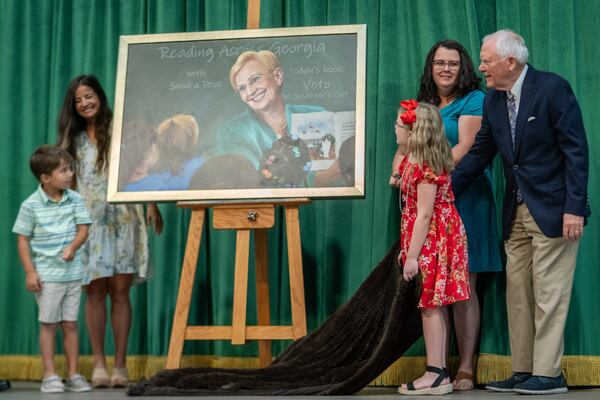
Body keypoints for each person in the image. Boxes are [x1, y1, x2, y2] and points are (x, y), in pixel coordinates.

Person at [452, 29, 590, 395]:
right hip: (516, 215)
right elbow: (480, 153)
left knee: (549, 292)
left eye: (486, 60)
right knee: (518, 294)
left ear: (510, 62)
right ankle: (525, 368)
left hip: (555, 211)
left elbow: (576, 150)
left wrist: (575, 208)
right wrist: (443, 193)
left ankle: (549, 374)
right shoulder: (494, 101)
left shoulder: (552, 89)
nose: (481, 67)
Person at [57, 75, 164, 388]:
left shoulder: (122, 130)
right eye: (78, 100)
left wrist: (152, 203)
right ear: (73, 107)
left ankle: (120, 365)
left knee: (119, 293)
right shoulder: (71, 140)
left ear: (100, 97)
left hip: (124, 220)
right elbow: (67, 185)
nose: (84, 103)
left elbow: (144, 168)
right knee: (95, 294)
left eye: (89, 96)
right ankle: (100, 365)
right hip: (88, 225)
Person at [416, 39, 503, 390]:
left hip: (466, 198)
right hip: (430, 204)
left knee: (464, 285)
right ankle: (439, 369)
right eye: (439, 62)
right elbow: (409, 147)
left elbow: (467, 146)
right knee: (437, 287)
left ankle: (466, 366)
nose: (446, 69)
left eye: (453, 63)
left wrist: (434, 179)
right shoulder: (423, 104)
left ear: (463, 67)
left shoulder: (475, 100)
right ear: (431, 66)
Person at [394, 101, 470, 396]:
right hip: (428, 236)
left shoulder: (427, 165)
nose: (396, 132)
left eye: (399, 127)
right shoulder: (411, 160)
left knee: (430, 305)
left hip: (436, 237)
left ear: (413, 131)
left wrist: (412, 255)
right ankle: (437, 370)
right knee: (431, 305)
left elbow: (425, 214)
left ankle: (435, 373)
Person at [12, 145, 92, 393]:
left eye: (70, 169)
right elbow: (23, 238)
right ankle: (49, 375)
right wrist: (30, 271)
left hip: (73, 275)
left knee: (70, 324)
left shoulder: (75, 198)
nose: (70, 174)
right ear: (45, 178)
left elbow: (84, 229)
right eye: (63, 170)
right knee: (48, 324)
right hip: (48, 276)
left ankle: (74, 374)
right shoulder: (30, 205)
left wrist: (72, 247)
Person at [216, 50, 322, 181]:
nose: (250, 91)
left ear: (278, 76)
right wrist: (317, 179)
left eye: (255, 79)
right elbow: (256, 180)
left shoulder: (315, 114)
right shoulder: (232, 132)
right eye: (242, 88)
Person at [123, 115, 206, 191]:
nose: (172, 142)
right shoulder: (150, 174)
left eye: (177, 137)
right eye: (169, 136)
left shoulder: (196, 165)